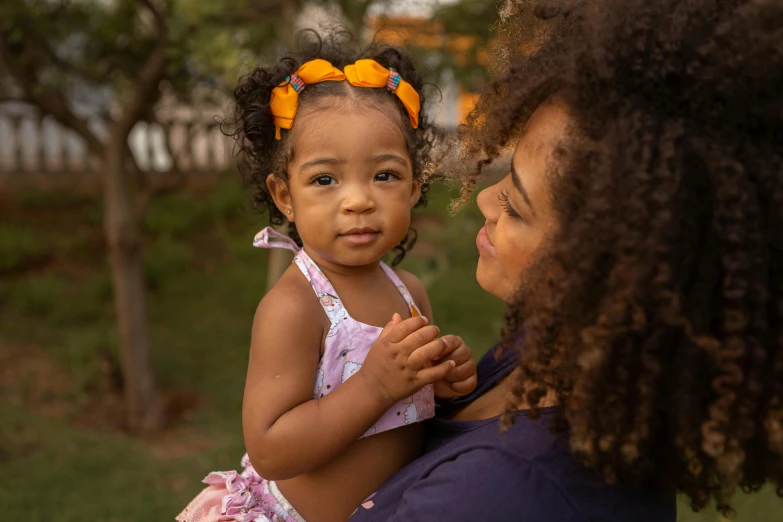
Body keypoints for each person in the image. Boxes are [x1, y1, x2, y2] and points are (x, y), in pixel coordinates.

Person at [351, 0, 783, 520]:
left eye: (515, 204)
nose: (486, 201)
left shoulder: (486, 496)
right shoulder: (558, 354)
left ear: (607, 274)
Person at [176, 34, 477, 522]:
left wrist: (446, 384)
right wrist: (376, 385)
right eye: (324, 180)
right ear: (284, 195)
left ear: (415, 187)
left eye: (384, 175)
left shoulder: (411, 292)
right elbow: (271, 449)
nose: (358, 200)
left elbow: (408, 419)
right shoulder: (295, 307)